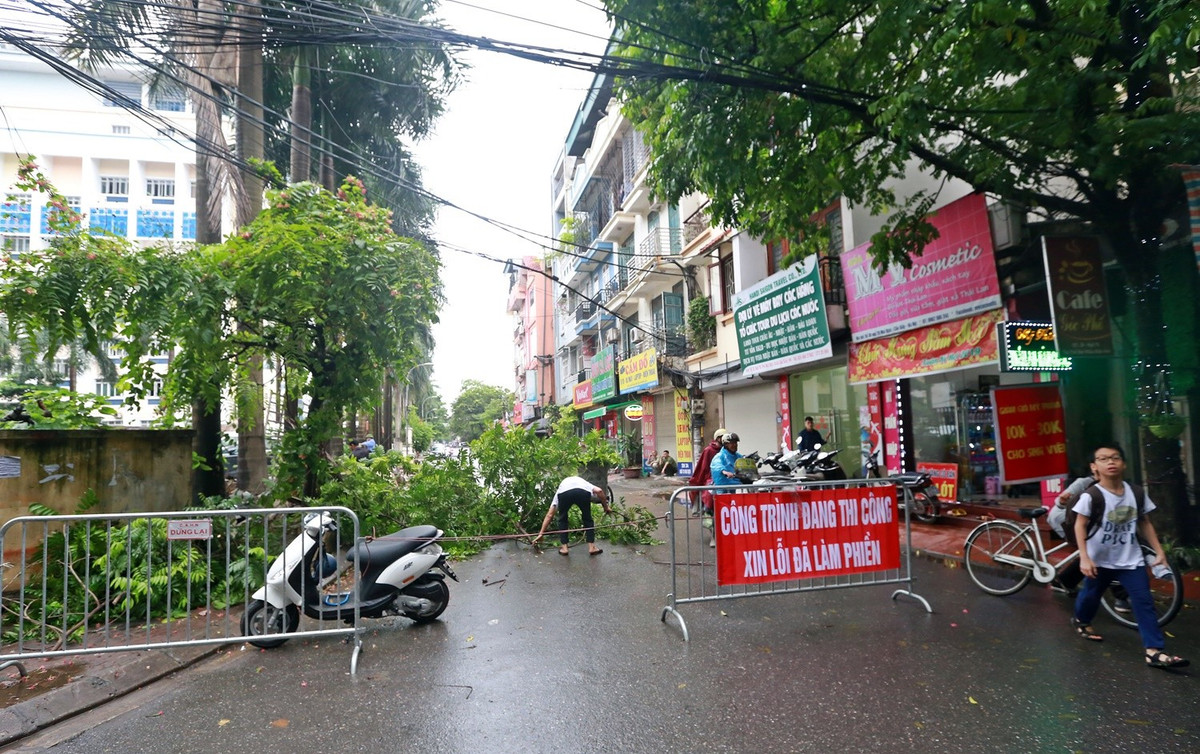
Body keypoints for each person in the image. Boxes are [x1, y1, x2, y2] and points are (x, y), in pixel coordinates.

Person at [1070, 443, 1187, 669]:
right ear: (1094, 467)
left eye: (1115, 457)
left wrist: (1159, 551)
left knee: (1143, 602)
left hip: (1130, 559)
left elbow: (1145, 522)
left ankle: (1153, 651)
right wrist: (1084, 557)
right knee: (1091, 596)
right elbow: (1080, 525)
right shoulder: (1091, 495)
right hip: (1099, 559)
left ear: (1123, 463)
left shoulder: (1136, 492)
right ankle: (1082, 621)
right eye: (1103, 459)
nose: (1111, 462)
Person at [533, 476, 612, 556]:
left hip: (564, 493)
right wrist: (606, 507)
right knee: (587, 518)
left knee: (562, 519)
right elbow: (600, 491)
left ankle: (564, 548)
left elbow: (550, 515)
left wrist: (541, 533)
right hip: (582, 492)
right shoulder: (585, 483)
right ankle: (592, 547)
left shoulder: (561, 489)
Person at [688, 427, 726, 515]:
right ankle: (706, 509)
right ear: (718, 438)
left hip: (726, 477)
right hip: (711, 477)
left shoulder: (726, 450)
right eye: (723, 437)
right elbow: (703, 467)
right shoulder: (709, 450)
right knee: (709, 493)